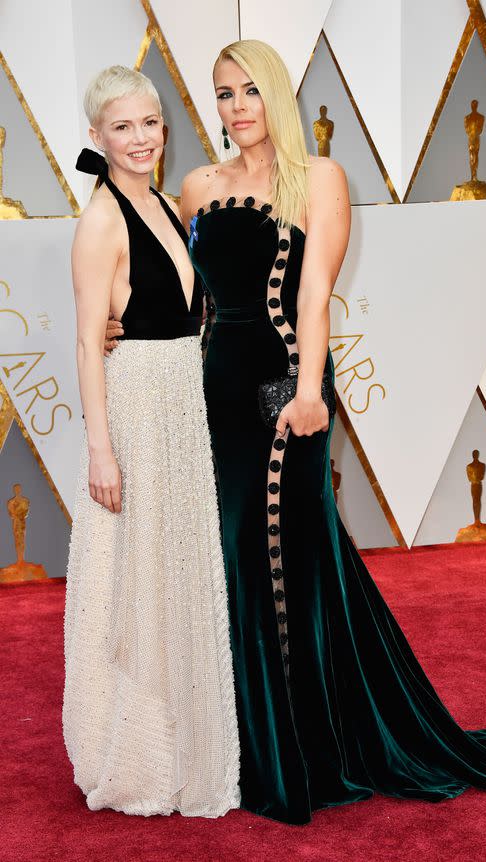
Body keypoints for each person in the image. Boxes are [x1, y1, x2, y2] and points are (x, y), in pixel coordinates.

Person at [106, 42, 486, 825]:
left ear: (277, 96)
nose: (236, 107)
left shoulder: (316, 178)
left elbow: (315, 296)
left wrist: (311, 392)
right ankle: (229, 742)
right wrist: (131, 324)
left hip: (282, 390)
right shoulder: (196, 185)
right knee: (220, 557)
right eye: (222, 95)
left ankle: (299, 744)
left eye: (250, 90)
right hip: (208, 389)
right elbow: (190, 299)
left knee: (281, 556)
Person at [63, 65, 239, 817]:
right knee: (131, 578)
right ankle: (130, 751)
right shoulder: (102, 217)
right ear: (97, 137)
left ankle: (184, 737)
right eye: (123, 127)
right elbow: (84, 341)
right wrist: (101, 451)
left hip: (180, 404)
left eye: (151, 124)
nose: (140, 139)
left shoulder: (166, 203)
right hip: (135, 407)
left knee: (174, 572)